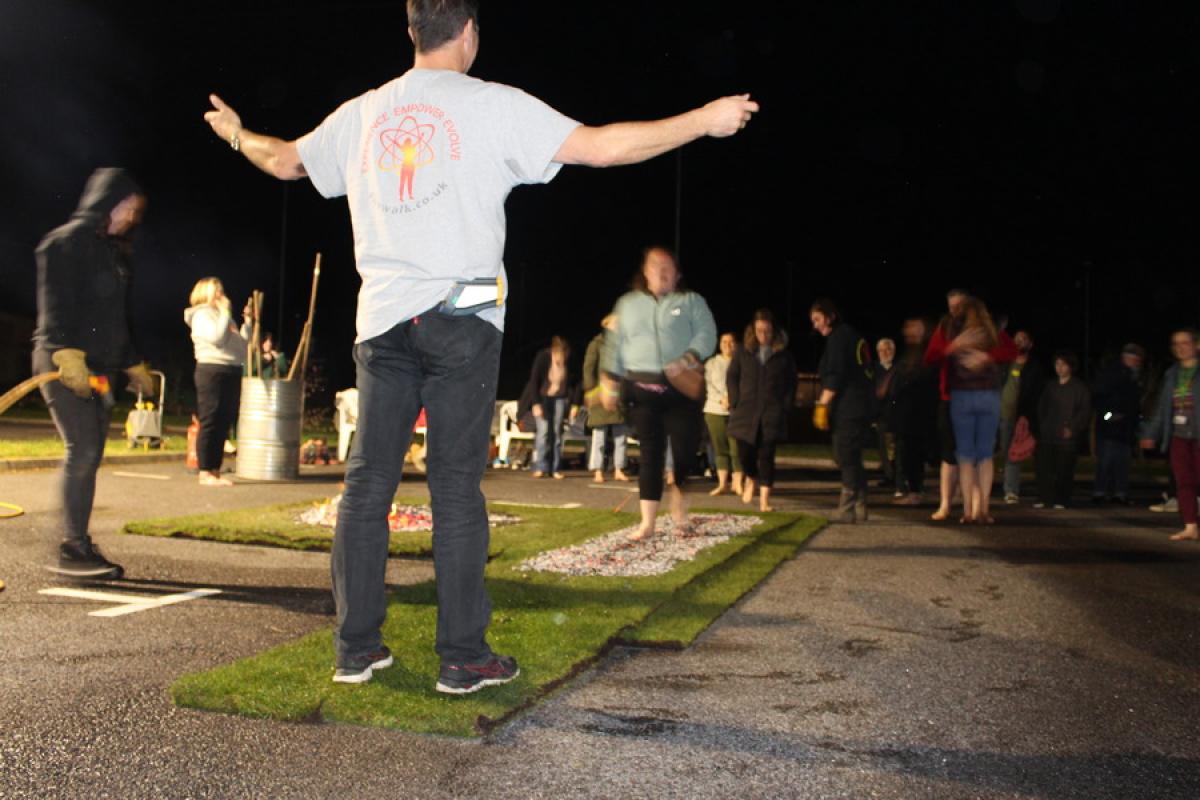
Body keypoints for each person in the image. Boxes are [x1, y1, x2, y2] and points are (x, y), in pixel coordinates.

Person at [203, 0, 757, 691]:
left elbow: (284, 161)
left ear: (410, 33)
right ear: (469, 33)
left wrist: (234, 134)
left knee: (368, 484)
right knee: (455, 488)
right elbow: (603, 146)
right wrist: (703, 121)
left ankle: (357, 649)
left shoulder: (363, 113)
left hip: (382, 319)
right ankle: (463, 659)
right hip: (462, 315)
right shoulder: (492, 104)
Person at [34, 168, 153, 578]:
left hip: (100, 369)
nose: (131, 218)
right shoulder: (64, 244)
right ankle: (73, 547)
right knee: (82, 450)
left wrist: (131, 361)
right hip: (62, 363)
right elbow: (56, 305)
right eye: (128, 209)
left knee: (91, 453)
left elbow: (114, 318)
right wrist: (66, 353)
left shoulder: (112, 254)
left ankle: (78, 540)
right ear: (109, 201)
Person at [601, 247, 717, 540]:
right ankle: (647, 523)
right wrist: (609, 383)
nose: (662, 272)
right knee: (650, 454)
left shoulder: (691, 301)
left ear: (678, 274)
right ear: (645, 271)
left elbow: (707, 334)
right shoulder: (627, 304)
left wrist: (688, 358)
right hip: (641, 391)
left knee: (683, 452)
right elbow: (614, 343)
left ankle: (679, 491)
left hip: (681, 391)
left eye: (668, 267)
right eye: (656, 266)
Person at [923, 291, 1017, 523]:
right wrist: (953, 347)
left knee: (975, 455)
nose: (955, 310)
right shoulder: (948, 328)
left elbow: (1010, 350)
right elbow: (932, 356)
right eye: (952, 306)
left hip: (975, 396)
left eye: (960, 306)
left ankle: (976, 509)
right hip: (954, 397)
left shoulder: (986, 329)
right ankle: (952, 506)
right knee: (955, 455)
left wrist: (986, 357)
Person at [185, 278, 253, 486]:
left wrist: (248, 322)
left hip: (231, 369)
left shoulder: (225, 317)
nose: (221, 296)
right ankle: (204, 471)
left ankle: (215, 469)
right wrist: (225, 314)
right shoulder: (201, 314)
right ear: (205, 293)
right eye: (217, 292)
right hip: (211, 370)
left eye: (222, 291)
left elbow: (242, 346)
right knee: (211, 419)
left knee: (224, 421)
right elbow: (217, 338)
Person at [811, 298, 874, 523]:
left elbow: (835, 376)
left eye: (818, 319)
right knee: (853, 456)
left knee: (844, 455)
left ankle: (846, 508)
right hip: (860, 406)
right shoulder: (850, 335)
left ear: (830, 316)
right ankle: (861, 505)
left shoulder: (838, 338)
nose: (815, 325)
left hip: (849, 407)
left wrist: (822, 404)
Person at [728, 310, 796, 512]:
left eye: (767, 330)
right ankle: (751, 477)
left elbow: (791, 383)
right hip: (745, 411)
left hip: (771, 412)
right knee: (744, 454)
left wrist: (785, 406)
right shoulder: (743, 351)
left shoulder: (784, 355)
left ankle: (765, 501)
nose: (763, 335)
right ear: (753, 330)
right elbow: (732, 376)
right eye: (759, 330)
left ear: (774, 331)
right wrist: (735, 399)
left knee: (767, 455)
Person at [1140, 329, 1200, 541]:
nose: (1181, 347)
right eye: (1176, 344)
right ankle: (1191, 526)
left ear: (1196, 345)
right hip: (1179, 435)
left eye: (1185, 342)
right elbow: (1162, 408)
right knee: (1184, 481)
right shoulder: (1171, 374)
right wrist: (1151, 433)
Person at [1034, 351, 1092, 509]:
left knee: (1064, 469)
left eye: (1063, 364)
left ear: (1071, 367)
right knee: (1044, 467)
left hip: (1067, 437)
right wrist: (1042, 425)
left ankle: (1061, 499)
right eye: (1057, 364)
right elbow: (1041, 407)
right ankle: (1045, 498)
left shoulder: (1079, 388)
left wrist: (1073, 428)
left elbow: (1084, 411)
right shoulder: (1050, 386)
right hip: (1048, 434)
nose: (1059, 368)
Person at [891, 316, 939, 506]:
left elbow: (927, 378)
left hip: (923, 410)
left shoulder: (928, 351)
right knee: (908, 452)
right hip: (907, 412)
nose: (910, 331)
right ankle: (914, 490)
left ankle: (919, 490)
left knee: (923, 451)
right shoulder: (908, 354)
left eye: (915, 327)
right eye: (908, 327)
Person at [1091, 343, 1144, 504]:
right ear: (1126, 357)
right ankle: (1100, 492)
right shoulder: (1112, 373)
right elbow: (1099, 399)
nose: (1136, 362)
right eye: (1134, 358)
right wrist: (1108, 416)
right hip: (1110, 427)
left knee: (1122, 462)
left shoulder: (1134, 377)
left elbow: (1134, 405)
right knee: (1106, 460)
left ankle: (1119, 493)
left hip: (1126, 428)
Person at [996, 330, 1045, 504]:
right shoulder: (1005, 364)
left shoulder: (1034, 367)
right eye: (1016, 339)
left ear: (1030, 344)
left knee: (1013, 455)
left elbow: (1036, 394)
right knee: (996, 453)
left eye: (1023, 339)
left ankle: (1011, 490)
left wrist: (1027, 415)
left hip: (1019, 417)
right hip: (999, 414)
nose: (1019, 342)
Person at [518, 336, 575, 479]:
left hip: (560, 399)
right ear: (553, 351)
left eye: (564, 356)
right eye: (558, 355)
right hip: (543, 398)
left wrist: (574, 403)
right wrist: (536, 404)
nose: (561, 359)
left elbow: (575, 382)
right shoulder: (543, 357)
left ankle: (555, 468)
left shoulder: (569, 361)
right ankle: (540, 467)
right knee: (542, 433)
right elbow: (534, 381)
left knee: (556, 434)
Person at [582, 315, 630, 483]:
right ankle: (598, 470)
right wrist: (592, 392)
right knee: (599, 436)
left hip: (618, 396)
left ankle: (619, 469)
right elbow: (588, 369)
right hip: (600, 395)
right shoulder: (596, 344)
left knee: (620, 436)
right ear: (607, 325)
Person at [703, 331, 742, 495]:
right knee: (720, 448)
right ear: (719, 344)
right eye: (724, 342)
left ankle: (738, 483)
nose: (727, 345)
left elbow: (745, 384)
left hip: (736, 410)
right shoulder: (711, 363)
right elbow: (709, 385)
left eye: (731, 341)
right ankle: (722, 483)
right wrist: (722, 399)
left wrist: (732, 399)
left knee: (737, 448)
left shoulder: (742, 362)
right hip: (714, 409)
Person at [873, 337, 898, 494]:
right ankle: (889, 475)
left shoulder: (898, 369)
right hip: (881, 414)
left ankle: (896, 476)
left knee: (894, 446)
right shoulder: (874, 370)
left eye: (888, 349)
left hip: (895, 413)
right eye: (882, 350)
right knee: (883, 446)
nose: (885, 353)